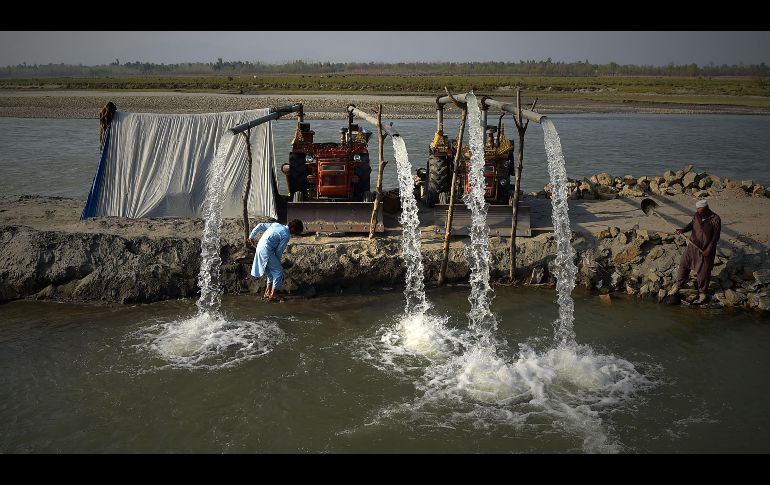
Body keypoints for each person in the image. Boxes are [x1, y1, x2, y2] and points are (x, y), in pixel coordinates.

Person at [668, 199, 721, 304]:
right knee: (683, 264)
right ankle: (678, 285)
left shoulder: (715, 218)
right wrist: (682, 230)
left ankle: (702, 292)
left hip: (706, 250)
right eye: (697, 209)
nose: (698, 211)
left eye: (700, 210)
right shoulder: (697, 215)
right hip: (692, 247)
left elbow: (715, 237)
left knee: (704, 272)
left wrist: (708, 250)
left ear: (706, 208)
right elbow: (691, 224)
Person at [246, 219, 303, 302]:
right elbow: (279, 251)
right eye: (297, 231)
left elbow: (260, 225)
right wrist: (277, 262)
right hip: (267, 250)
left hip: (260, 248)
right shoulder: (286, 235)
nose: (297, 233)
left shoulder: (276, 225)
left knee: (270, 273)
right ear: (293, 228)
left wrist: (251, 236)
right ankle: (273, 294)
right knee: (278, 271)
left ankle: (268, 292)